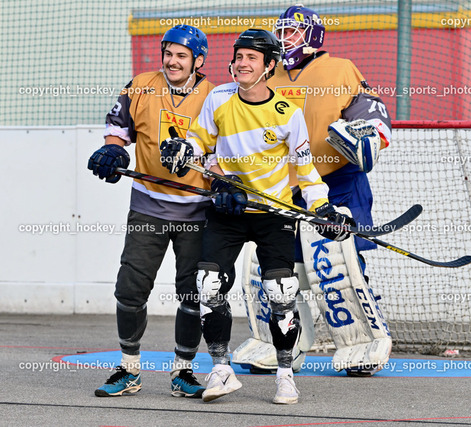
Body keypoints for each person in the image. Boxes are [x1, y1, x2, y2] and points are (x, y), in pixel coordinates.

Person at [160, 28, 351, 404]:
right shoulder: (218, 98)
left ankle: (284, 375)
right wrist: (184, 149)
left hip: (272, 213)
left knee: (281, 293)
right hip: (227, 209)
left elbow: (306, 170)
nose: (242, 63)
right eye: (238, 56)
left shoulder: (287, 114)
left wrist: (323, 208)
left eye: (252, 57)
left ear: (269, 67)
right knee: (208, 284)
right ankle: (220, 368)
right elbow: (201, 141)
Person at [231, 4, 394, 377]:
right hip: (285, 189)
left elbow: (371, 112)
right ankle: (278, 342)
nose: (285, 38)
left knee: (336, 265)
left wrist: (366, 134)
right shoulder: (267, 81)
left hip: (336, 182)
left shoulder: (339, 68)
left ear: (314, 36)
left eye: (292, 31)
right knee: (273, 267)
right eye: (282, 31)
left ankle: (360, 342)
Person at [87, 24, 215, 398]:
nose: (172, 61)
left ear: (198, 61)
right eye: (168, 53)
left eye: (181, 55)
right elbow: (119, 129)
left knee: (192, 294)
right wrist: (113, 149)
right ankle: (128, 370)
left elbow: (223, 151)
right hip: (148, 207)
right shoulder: (141, 85)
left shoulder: (216, 96)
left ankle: (184, 372)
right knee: (130, 288)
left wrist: (220, 179)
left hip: (196, 211)